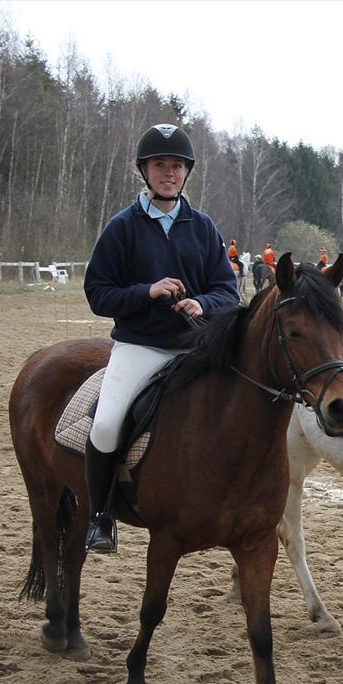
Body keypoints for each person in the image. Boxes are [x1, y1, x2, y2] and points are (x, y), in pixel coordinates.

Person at [81, 123, 238, 554]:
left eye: (176, 166)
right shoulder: (122, 227)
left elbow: (229, 290)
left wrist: (202, 304)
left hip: (195, 348)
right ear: (144, 172)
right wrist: (146, 292)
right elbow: (97, 293)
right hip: (140, 344)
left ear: (186, 173)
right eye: (159, 165)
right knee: (108, 421)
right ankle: (101, 516)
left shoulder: (203, 227)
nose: (168, 173)